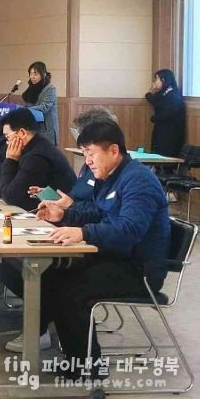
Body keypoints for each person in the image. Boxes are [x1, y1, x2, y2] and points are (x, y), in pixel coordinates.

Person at [35, 121, 169, 379]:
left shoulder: (139, 181)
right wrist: (64, 215)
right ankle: (75, 359)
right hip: (114, 257)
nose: (88, 161)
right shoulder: (112, 176)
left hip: (139, 270)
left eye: (91, 153)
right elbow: (98, 211)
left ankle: (88, 368)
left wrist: (83, 233)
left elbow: (130, 229)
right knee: (52, 275)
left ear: (113, 150)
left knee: (71, 290)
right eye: (85, 153)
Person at [29, 106, 118, 208]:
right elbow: (76, 196)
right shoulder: (88, 165)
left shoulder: (113, 172)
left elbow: (99, 211)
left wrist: (71, 205)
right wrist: (52, 196)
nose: (88, 160)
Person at [0, 108, 75, 211]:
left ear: (22, 133)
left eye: (7, 136)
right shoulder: (37, 145)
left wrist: (10, 160)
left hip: (61, 214)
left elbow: (11, 197)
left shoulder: (36, 157)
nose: (7, 142)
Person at [146, 69, 186, 158]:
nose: (154, 82)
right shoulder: (165, 93)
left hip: (170, 134)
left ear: (163, 80)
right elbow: (155, 101)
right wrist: (150, 92)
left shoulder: (173, 95)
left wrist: (153, 118)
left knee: (164, 155)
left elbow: (166, 114)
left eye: (157, 79)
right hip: (162, 131)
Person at [21, 61, 59, 147]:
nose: (32, 77)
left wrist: (26, 110)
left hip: (46, 129)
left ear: (43, 74)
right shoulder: (31, 88)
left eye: (35, 74)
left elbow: (45, 107)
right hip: (32, 127)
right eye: (31, 74)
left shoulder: (50, 88)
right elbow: (27, 105)